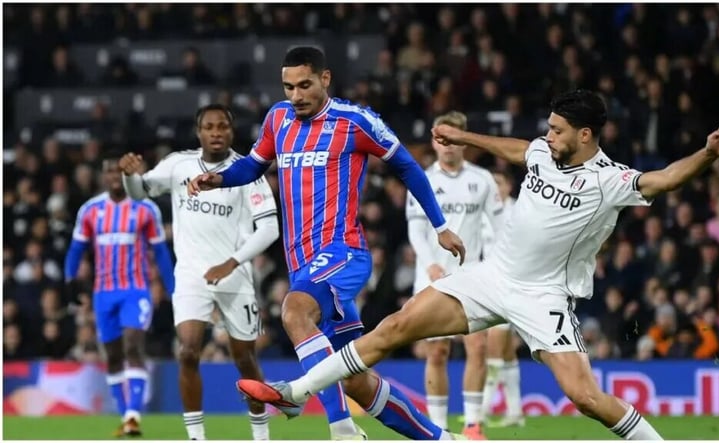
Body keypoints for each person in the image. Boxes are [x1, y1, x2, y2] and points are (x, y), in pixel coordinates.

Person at [237, 89, 719, 441]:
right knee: (393, 327)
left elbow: (663, 180)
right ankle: (293, 393)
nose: (547, 137)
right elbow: (519, 150)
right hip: (490, 277)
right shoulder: (542, 153)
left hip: (544, 297)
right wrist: (466, 139)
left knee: (585, 397)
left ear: (585, 136)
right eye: (547, 129)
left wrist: (708, 153)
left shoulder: (610, 180)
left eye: (557, 131)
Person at [188, 47, 466, 441]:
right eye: (288, 87)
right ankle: (441, 439)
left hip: (344, 253)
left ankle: (340, 427)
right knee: (355, 381)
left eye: (304, 85)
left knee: (293, 310)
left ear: (325, 79)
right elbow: (253, 165)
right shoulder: (277, 119)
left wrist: (440, 226)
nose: (296, 95)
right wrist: (218, 178)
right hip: (303, 264)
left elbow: (406, 165)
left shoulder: (355, 121)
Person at [120, 105, 278, 440]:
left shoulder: (248, 172)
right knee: (188, 351)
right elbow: (139, 192)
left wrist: (231, 262)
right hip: (191, 274)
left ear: (231, 132)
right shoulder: (179, 164)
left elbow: (269, 229)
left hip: (234, 276)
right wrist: (130, 176)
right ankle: (196, 436)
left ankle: (261, 434)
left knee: (245, 360)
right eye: (209, 127)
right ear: (199, 132)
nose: (216, 132)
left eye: (223, 126)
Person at [406, 111, 503, 439]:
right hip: (433, 276)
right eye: (440, 139)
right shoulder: (421, 180)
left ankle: (473, 424)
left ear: (463, 141)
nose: (446, 146)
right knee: (437, 351)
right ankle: (438, 426)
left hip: (473, 277)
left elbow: (500, 226)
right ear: (434, 143)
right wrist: (430, 264)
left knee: (478, 347)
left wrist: (499, 265)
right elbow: (416, 229)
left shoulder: (483, 180)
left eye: (452, 139)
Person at [64, 152, 175, 437]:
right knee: (113, 356)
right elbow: (76, 249)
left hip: (135, 290)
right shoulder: (90, 210)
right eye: (109, 172)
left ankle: (134, 416)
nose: (115, 176)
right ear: (104, 176)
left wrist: (173, 289)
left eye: (118, 171)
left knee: (133, 347)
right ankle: (126, 414)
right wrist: (70, 281)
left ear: (126, 174)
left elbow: (161, 253)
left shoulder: (145, 209)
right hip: (103, 294)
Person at [479, 169, 524, 427]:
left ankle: (483, 409)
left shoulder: (517, 211)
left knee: (494, 346)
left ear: (508, 186)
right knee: (506, 351)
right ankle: (515, 411)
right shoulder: (485, 213)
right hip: (487, 283)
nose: (495, 189)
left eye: (499, 184)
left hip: (508, 284)